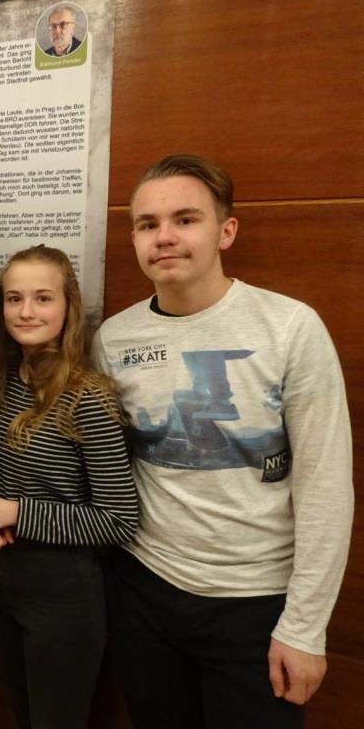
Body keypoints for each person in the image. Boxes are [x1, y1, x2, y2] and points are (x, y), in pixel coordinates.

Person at [91, 153, 353, 728]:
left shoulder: (289, 328)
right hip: (145, 594)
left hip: (255, 606)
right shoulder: (115, 338)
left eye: (186, 219)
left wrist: (305, 626)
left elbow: (325, 488)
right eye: (147, 224)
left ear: (225, 231)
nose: (165, 237)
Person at [0, 246, 138, 728]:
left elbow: (120, 519)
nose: (27, 312)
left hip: (65, 594)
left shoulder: (88, 397)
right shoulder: (0, 380)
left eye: (42, 298)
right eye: (14, 299)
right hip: (3, 580)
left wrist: (13, 512)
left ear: (68, 307)